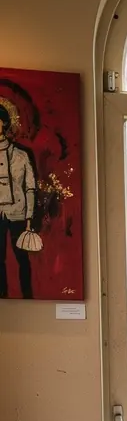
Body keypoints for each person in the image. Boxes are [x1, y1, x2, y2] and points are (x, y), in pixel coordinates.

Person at [0, 101, 37, 299]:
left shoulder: (21, 156)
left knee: (22, 257)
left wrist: (29, 217)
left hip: (17, 212)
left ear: (4, 124)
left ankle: (27, 295)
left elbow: (30, 187)